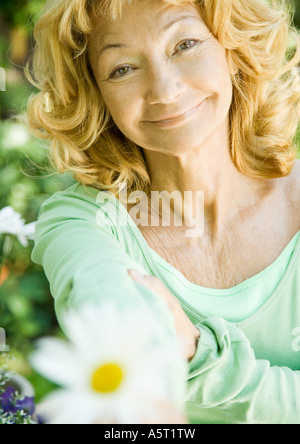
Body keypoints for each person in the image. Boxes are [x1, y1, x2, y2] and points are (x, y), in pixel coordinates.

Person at [26, 0, 300, 424]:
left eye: (185, 44)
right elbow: (104, 296)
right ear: (96, 93)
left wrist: (196, 353)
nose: (165, 91)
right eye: (123, 68)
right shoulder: (82, 220)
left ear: (235, 48)